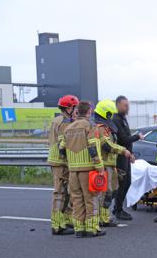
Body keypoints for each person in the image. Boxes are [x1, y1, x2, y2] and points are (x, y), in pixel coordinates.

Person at [59, 101, 105, 238]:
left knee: (77, 200)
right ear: (89, 112)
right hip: (88, 170)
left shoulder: (68, 128)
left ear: (77, 112)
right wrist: (99, 166)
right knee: (90, 199)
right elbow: (92, 147)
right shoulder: (90, 126)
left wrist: (70, 163)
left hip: (73, 170)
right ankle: (91, 229)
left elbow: (61, 149)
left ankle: (79, 229)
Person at [94, 99, 133, 227]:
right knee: (105, 192)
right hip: (105, 164)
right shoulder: (100, 128)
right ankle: (103, 218)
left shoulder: (105, 127)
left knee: (112, 190)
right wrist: (123, 150)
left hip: (111, 163)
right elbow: (106, 145)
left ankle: (105, 216)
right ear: (107, 113)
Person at [48, 95, 79, 235]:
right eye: (75, 108)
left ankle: (65, 221)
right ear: (68, 108)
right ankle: (58, 226)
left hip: (57, 160)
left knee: (66, 192)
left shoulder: (56, 119)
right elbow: (64, 143)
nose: (76, 110)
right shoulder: (65, 122)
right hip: (61, 161)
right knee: (60, 193)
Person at [112, 95, 144, 220]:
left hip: (126, 155)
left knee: (127, 182)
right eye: (125, 105)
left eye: (128, 105)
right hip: (120, 156)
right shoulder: (116, 119)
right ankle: (118, 210)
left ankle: (117, 208)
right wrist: (138, 137)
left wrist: (131, 153)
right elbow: (123, 139)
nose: (127, 107)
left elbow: (126, 139)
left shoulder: (123, 118)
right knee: (122, 183)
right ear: (118, 105)